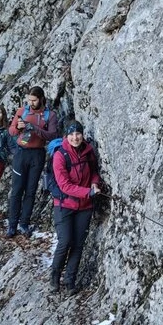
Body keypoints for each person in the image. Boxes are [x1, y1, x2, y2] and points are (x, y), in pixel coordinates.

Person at [50, 121, 101, 294]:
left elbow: (94, 172)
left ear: (82, 134)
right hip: (64, 204)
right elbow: (64, 185)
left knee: (78, 244)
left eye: (78, 133)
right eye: (71, 134)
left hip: (84, 206)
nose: (75, 137)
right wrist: (88, 192)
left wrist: (94, 183)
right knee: (65, 241)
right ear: (66, 136)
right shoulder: (60, 155)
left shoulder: (88, 151)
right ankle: (55, 276)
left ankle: (70, 280)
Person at [6, 86, 58, 237]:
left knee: (30, 190)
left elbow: (52, 135)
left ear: (41, 99)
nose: (31, 103)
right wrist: (18, 126)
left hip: (37, 154)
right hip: (21, 153)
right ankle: (12, 225)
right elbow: (11, 131)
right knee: (17, 190)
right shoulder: (22, 111)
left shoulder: (50, 115)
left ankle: (24, 224)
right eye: (29, 100)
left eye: (34, 100)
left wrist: (34, 128)